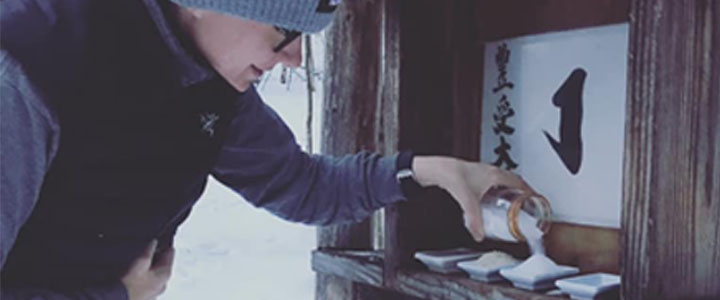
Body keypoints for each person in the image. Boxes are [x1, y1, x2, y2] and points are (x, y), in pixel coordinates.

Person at [0, 0, 533, 299]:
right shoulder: (32, 66)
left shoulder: (211, 82)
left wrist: (423, 171)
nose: (296, 59)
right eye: (283, 31)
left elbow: (301, 185)